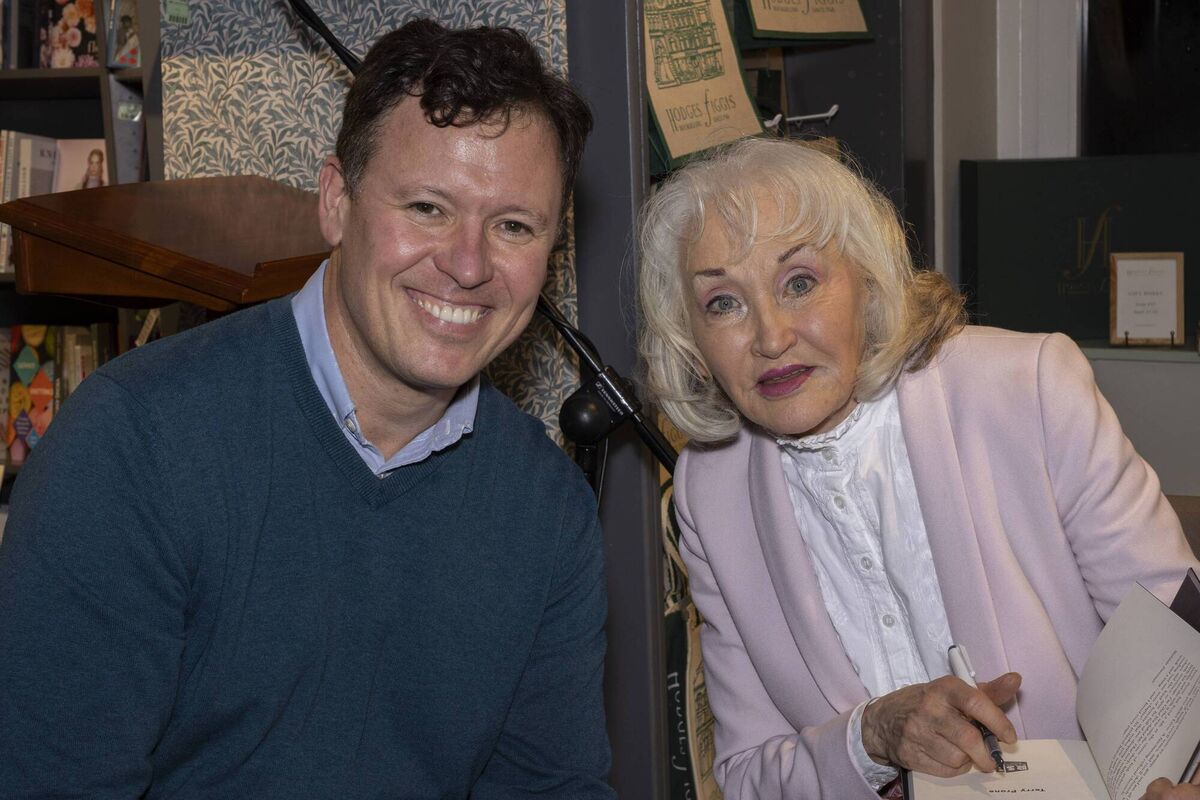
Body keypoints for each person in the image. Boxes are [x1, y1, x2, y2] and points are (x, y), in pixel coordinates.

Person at [0, 19, 614, 798]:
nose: (468, 265)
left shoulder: (548, 508)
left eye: (514, 226)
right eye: (427, 208)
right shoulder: (133, 445)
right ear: (336, 203)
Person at [637, 135, 1200, 800]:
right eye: (722, 303)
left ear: (868, 284)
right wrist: (869, 736)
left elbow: (1180, 655)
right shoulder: (712, 491)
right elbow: (751, 776)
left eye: (800, 282)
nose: (770, 336)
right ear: (691, 339)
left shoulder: (1026, 388)